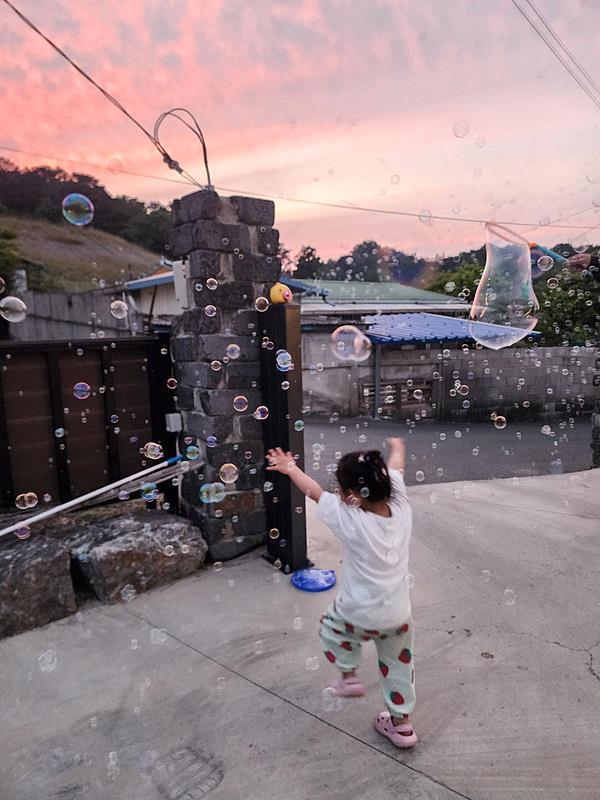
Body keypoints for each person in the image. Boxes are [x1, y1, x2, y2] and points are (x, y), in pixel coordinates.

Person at [266, 437, 417, 748]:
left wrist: (289, 467)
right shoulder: (401, 502)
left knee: (331, 627)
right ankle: (402, 726)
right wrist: (397, 446)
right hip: (398, 614)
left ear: (351, 496)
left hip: (356, 613)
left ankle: (348, 676)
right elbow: (398, 466)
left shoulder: (348, 517)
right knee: (399, 665)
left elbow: (313, 491)